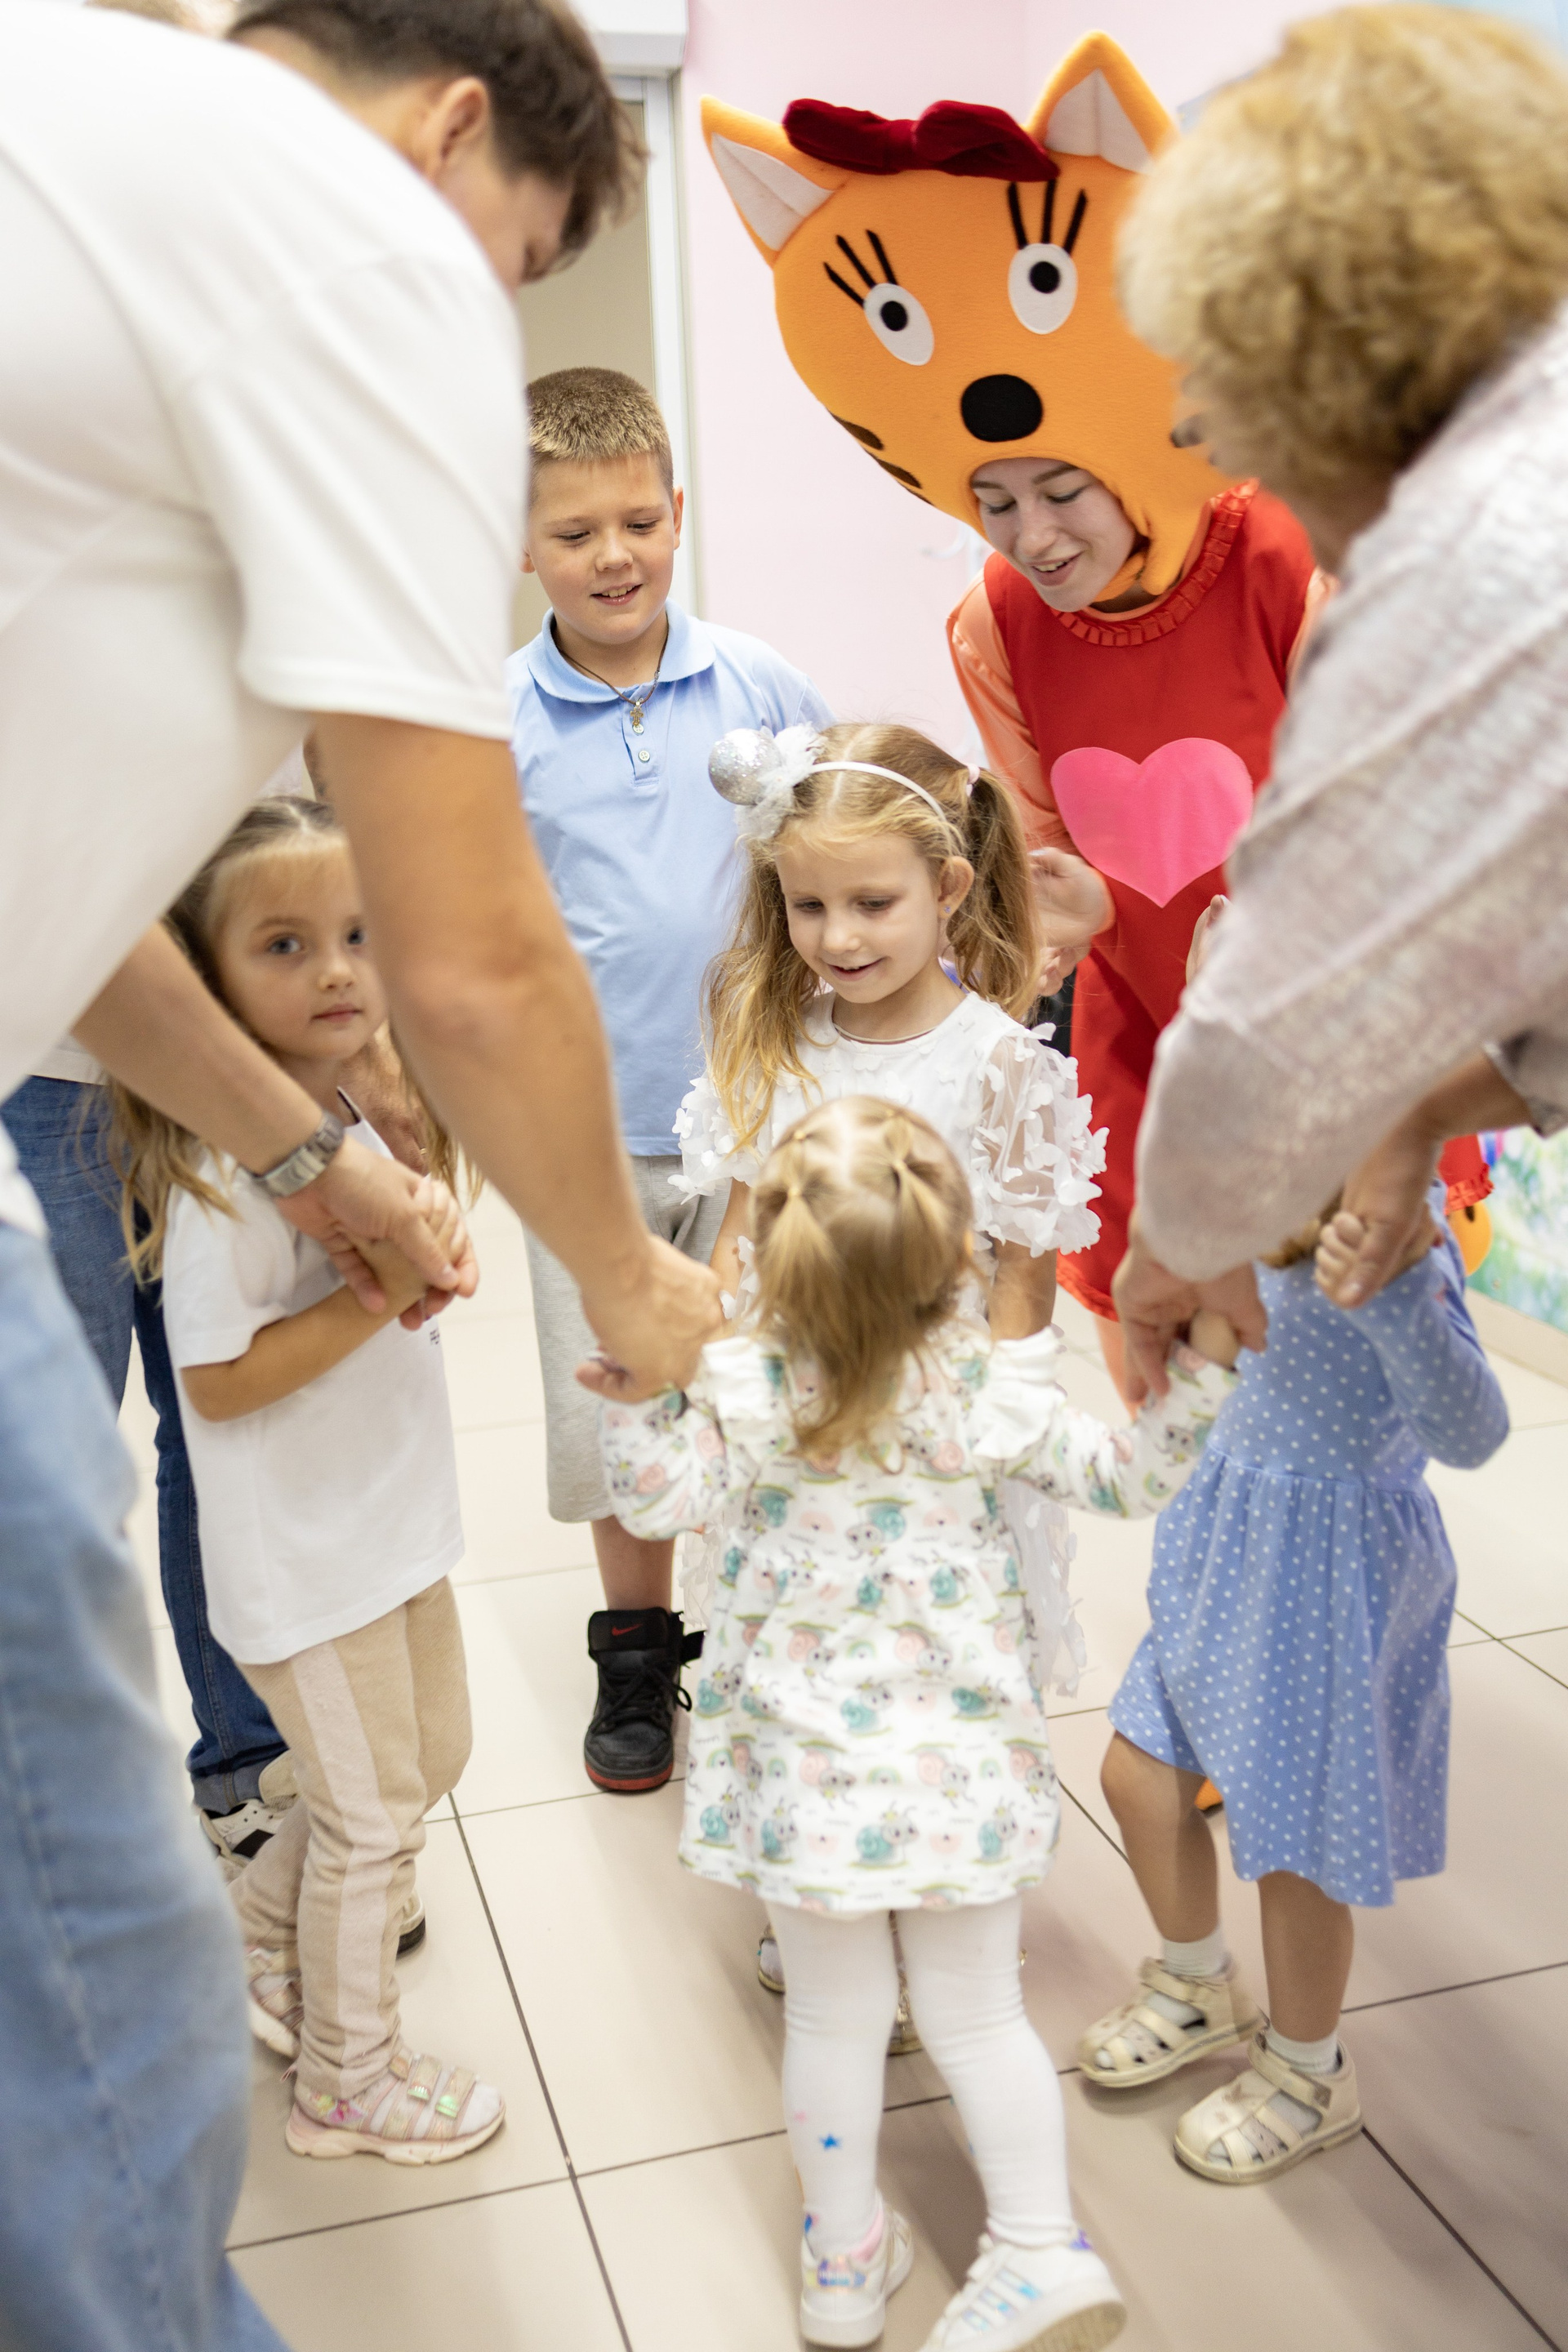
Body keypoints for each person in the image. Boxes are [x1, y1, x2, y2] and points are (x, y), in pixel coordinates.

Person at [0, 3, 715, 2344]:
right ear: (452, 131)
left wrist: (316, 1149)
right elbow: (477, 953)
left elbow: (82, 932)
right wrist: (631, 1282)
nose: (475, 321)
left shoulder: (65, 112)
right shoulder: (354, 239)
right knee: (93, 1954)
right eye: (512, 262)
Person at [697, 36, 1328, 1401]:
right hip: (1138, 1032)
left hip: (1314, 1039)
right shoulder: (997, 620)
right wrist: (1050, 918)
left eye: (1060, 490)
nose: (1032, 536)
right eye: (995, 502)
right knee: (1154, 1365)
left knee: (1322, 1385)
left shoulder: (1282, 555)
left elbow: (1380, 814)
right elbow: (1047, 843)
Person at [585, 1097, 1236, 2352]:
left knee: (831, 2021)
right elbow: (1129, 1477)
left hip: (802, 1779)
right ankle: (1036, 2250)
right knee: (979, 2017)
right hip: (961, 1775)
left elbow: (656, 1505)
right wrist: (1201, 1374)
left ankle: (842, 2264)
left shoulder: (743, 1389)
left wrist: (633, 1402)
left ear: (768, 1261)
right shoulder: (984, 1389)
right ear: (956, 1258)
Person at [1101, 6, 1568, 1386]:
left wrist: (1177, 1239)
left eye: (1212, 367)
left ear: (1313, 349)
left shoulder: (1476, 550)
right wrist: (1416, 1118)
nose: (1195, 425)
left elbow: (1270, 1024)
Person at [113, 800, 499, 2162]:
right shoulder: (224, 1175)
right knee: (370, 1822)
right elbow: (216, 1383)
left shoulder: (346, 1113)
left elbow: (399, 1243)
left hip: (386, 1527)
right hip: (308, 1565)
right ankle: (350, 2080)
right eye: (284, 944)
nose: (336, 970)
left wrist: (422, 1240)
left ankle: (258, 1937)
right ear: (205, 986)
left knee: (430, 1763)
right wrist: (377, 1291)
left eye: (355, 934)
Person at [507, 367, 832, 1793]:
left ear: (678, 513)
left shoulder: (762, 683)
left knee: (773, 1382)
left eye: (638, 522)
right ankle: (637, 1651)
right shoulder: (496, 720)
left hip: (764, 1126)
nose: (614, 556)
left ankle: (771, 1630)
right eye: (575, 533)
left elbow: (837, 865)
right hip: (583, 1145)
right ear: (522, 541)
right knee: (620, 1409)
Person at [1077, 1157, 1506, 2180]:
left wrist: (1400, 1289)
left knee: (1296, 1854)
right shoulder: (1238, 1198)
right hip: (1225, 1545)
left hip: (1330, 1585)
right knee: (1136, 1778)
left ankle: (1312, 2072)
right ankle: (1196, 1982)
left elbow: (1473, 1429)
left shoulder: (1405, 1239)